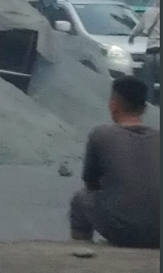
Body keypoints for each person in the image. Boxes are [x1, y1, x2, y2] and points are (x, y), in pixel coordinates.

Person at [70, 76, 160, 248]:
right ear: (144, 108)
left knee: (81, 199)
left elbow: (90, 182)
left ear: (113, 104)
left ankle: (80, 251)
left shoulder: (101, 135)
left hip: (124, 233)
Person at [129, 0, 160, 104]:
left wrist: (131, 37)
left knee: (148, 80)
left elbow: (139, 28)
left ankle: (149, 103)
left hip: (150, 51)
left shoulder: (148, 12)